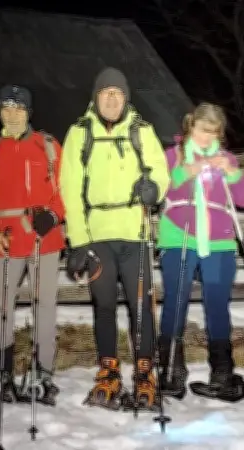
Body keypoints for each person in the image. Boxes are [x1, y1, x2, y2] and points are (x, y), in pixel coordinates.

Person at [60, 67, 170, 411]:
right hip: (96, 235)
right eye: (105, 93)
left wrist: (154, 189)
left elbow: (159, 172)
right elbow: (70, 189)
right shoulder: (79, 133)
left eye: (118, 93)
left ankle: (145, 370)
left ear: (126, 98)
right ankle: (108, 369)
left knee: (141, 307)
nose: (111, 99)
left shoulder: (142, 130)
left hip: (134, 233)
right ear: (96, 98)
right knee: (104, 305)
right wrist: (78, 240)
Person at [0, 85, 65, 404]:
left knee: (45, 306)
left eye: (18, 109)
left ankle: (43, 370)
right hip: (6, 240)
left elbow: (65, 189)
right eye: (6, 109)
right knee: (0, 306)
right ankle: (1, 366)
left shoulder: (48, 146)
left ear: (28, 112)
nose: (12, 115)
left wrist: (52, 214)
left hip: (43, 239)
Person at [157, 103, 244, 400]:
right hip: (179, 236)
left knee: (217, 304)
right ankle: (172, 369)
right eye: (202, 129)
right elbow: (160, 189)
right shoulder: (172, 156)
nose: (205, 137)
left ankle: (222, 372)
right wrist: (187, 171)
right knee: (176, 300)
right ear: (190, 126)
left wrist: (232, 174)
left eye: (212, 131)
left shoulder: (225, 159)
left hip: (219, 240)